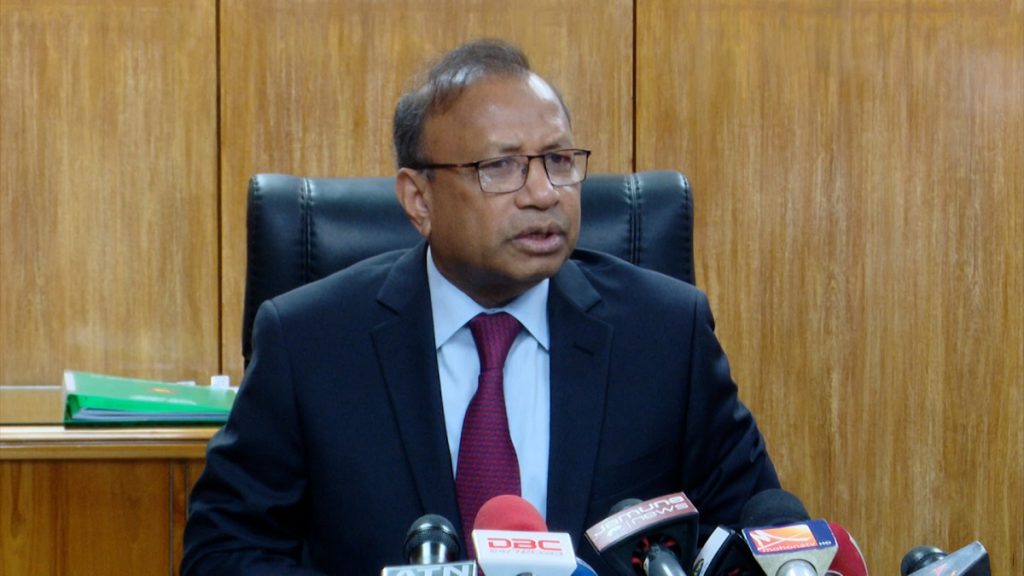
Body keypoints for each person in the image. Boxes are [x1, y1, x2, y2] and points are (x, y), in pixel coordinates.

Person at [182, 38, 779, 575]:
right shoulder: (310, 342)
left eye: (559, 161)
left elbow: (759, 534)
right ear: (419, 200)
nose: (543, 193)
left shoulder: (665, 333)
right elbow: (224, 553)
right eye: (501, 167)